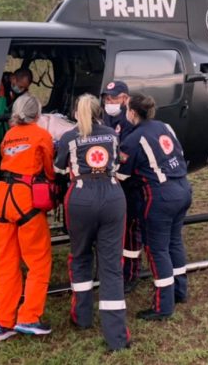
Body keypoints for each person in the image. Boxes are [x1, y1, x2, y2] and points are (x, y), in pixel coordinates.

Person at [55, 94, 130, 352]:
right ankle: (117, 336)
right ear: (100, 112)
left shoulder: (68, 138)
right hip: (112, 196)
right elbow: (118, 161)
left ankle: (82, 317)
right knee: (111, 265)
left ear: (76, 113)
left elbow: (59, 170)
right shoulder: (111, 134)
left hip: (80, 198)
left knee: (80, 257)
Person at [119, 93, 192, 320]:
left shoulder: (132, 140)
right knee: (174, 242)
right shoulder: (165, 127)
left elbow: (122, 175)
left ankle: (163, 306)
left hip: (160, 198)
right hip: (183, 188)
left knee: (156, 249)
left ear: (132, 112)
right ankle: (180, 291)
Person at [0, 94, 55, 342]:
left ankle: (3, 322)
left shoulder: (8, 135)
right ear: (38, 114)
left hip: (1, 198)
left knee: (5, 263)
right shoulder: (41, 135)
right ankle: (29, 316)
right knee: (38, 260)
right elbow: (49, 168)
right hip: (25, 199)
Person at [0, 67, 35, 248]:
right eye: (18, 85)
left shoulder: (21, 97)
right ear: (12, 78)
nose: (19, 88)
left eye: (23, 87)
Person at [101, 80, 141, 291]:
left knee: (131, 231)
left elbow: (127, 154)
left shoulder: (130, 121)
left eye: (114, 98)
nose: (110, 102)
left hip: (128, 181)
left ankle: (131, 274)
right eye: (107, 99)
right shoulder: (107, 115)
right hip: (111, 181)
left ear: (125, 98)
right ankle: (114, 268)